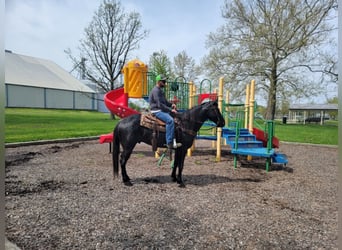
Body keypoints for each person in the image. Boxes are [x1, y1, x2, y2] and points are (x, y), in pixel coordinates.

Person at [149, 74, 181, 149]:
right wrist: (171, 110)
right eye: (163, 81)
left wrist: (172, 104)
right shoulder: (156, 91)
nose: (165, 82)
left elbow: (165, 102)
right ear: (159, 81)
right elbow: (160, 105)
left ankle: (175, 140)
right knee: (170, 121)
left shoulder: (160, 90)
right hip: (156, 111)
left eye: (165, 81)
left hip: (161, 109)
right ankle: (169, 143)